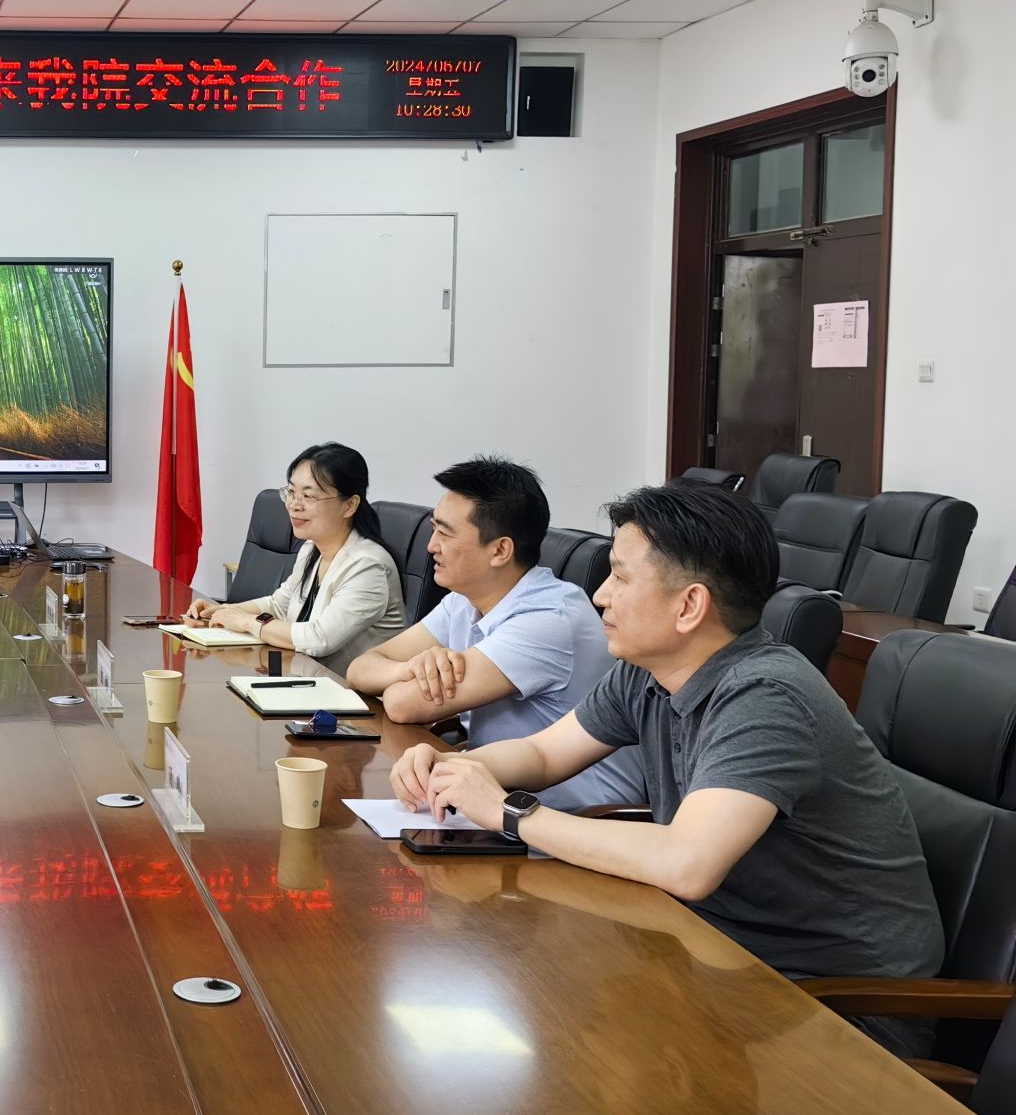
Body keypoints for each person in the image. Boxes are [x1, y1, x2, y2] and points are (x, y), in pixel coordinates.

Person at [392, 481, 942, 1053]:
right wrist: (453, 766)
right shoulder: (648, 670)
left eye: (620, 578)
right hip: (710, 947)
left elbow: (687, 863)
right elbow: (545, 753)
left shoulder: (765, 697)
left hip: (835, 1004)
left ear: (689, 606)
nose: (600, 595)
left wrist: (510, 814)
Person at [347, 456, 633, 809]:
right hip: (498, 797)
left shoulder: (548, 619)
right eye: (434, 529)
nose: (431, 545)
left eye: (445, 533)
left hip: (579, 815)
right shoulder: (464, 601)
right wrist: (409, 668)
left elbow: (404, 705)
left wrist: (401, 682)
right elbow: (361, 667)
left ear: (500, 550)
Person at [184, 443, 404, 674]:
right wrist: (221, 612)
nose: (294, 505)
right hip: (305, 676)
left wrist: (246, 622)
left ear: (349, 505)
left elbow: (320, 638)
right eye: (291, 492)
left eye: (308, 496)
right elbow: (279, 605)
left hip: (349, 691)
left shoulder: (368, 565)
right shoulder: (311, 549)